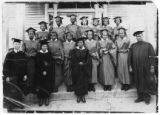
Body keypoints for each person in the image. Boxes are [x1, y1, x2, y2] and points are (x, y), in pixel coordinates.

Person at [128, 31, 156, 104]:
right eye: (137, 36)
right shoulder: (133, 46)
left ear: (142, 36)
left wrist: (152, 66)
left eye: (140, 35)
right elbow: (130, 57)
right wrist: (130, 66)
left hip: (145, 67)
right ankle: (140, 97)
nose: (138, 37)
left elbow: (152, 56)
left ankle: (147, 98)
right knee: (138, 81)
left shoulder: (148, 45)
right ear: (135, 37)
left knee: (146, 82)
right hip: (136, 67)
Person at [70, 37, 92, 103]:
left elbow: (88, 60)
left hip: (84, 69)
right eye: (79, 42)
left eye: (81, 42)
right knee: (77, 82)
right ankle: (78, 95)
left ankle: (83, 96)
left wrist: (84, 63)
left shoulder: (86, 50)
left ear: (83, 43)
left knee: (84, 82)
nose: (80, 43)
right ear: (77, 43)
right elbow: (72, 60)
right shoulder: (74, 50)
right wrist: (77, 63)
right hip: (76, 68)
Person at [35, 40, 54, 106]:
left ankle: (47, 98)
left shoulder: (49, 54)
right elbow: (37, 64)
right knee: (40, 85)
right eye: (43, 46)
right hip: (40, 73)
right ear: (41, 47)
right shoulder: (38, 54)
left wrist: (46, 70)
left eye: (46, 46)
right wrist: (42, 71)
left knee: (47, 85)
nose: (44, 47)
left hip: (48, 73)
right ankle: (40, 99)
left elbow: (51, 64)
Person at [22, 27, 40, 93]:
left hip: (34, 60)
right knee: (28, 74)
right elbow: (23, 51)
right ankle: (28, 88)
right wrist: (28, 55)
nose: (31, 35)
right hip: (27, 60)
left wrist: (33, 55)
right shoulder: (25, 42)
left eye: (32, 34)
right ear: (28, 34)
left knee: (34, 74)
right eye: (29, 34)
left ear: (34, 34)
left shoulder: (36, 42)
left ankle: (33, 88)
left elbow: (38, 51)